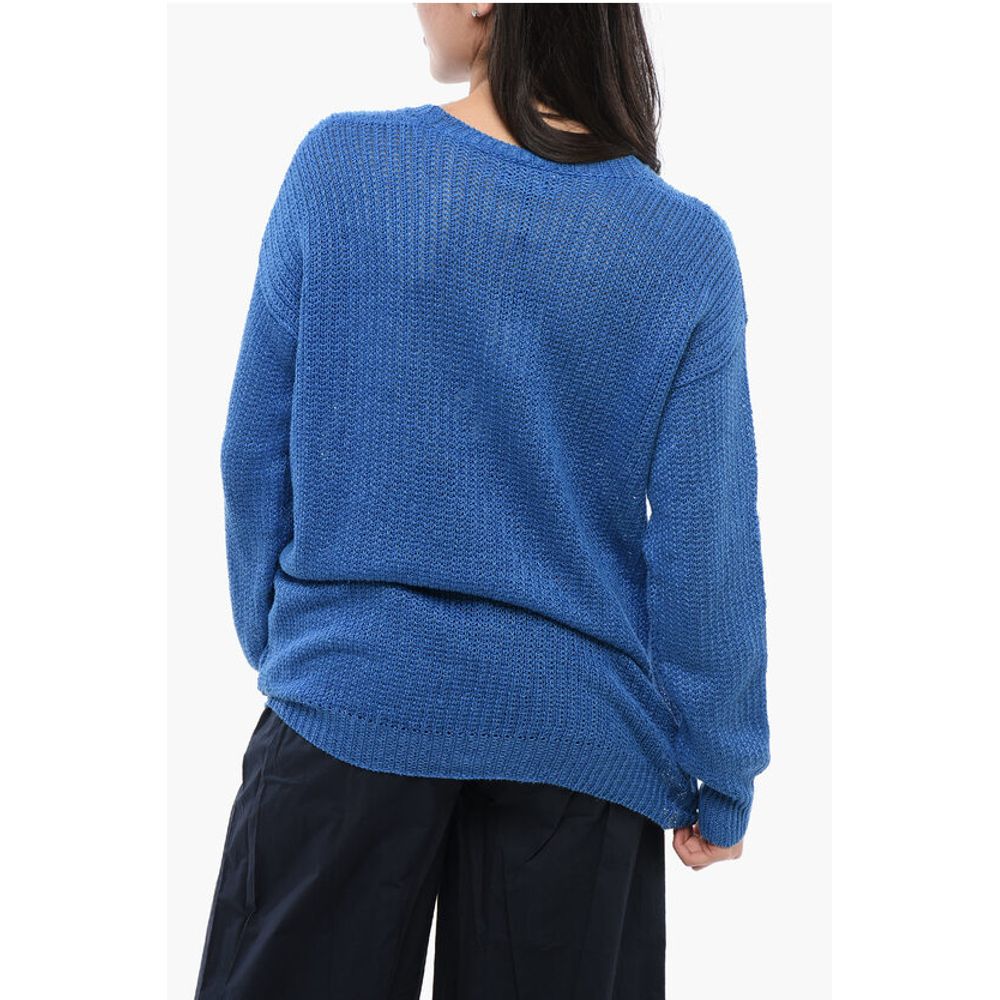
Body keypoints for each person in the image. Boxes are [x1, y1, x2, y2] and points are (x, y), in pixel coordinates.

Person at [194, 4, 770, 998]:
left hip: (347, 703)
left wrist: (293, 651)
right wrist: (722, 767)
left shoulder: (342, 170)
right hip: (580, 750)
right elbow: (705, 544)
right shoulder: (683, 250)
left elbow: (255, 453)